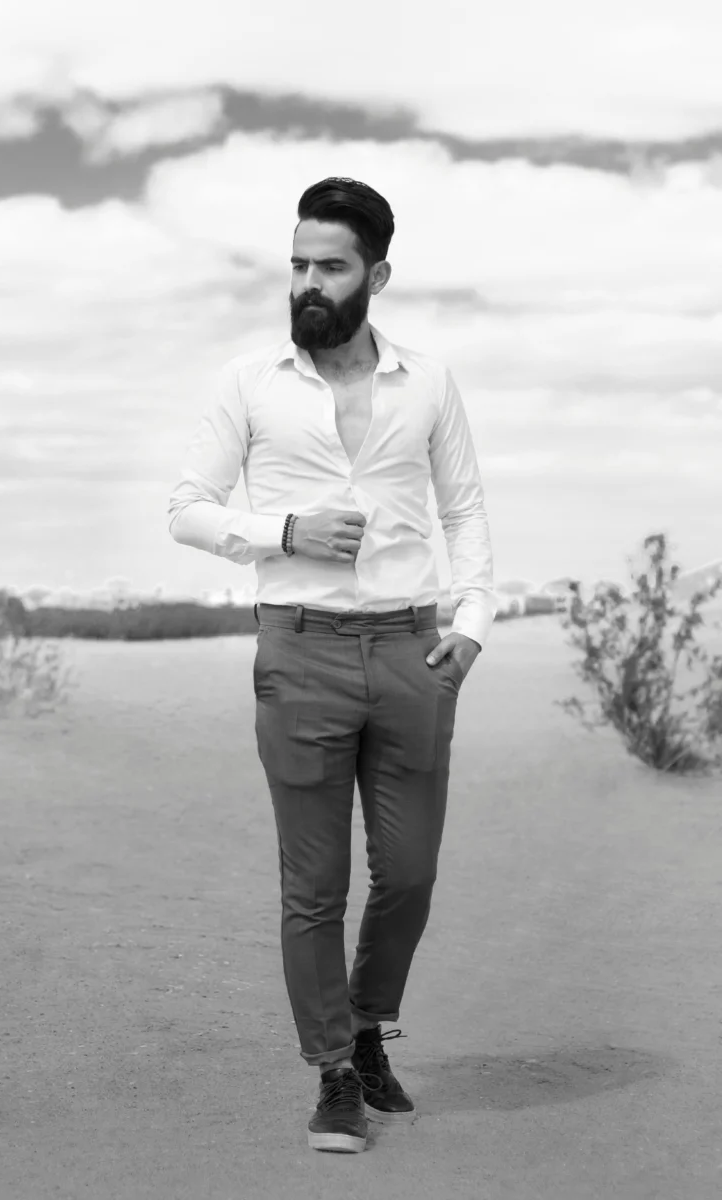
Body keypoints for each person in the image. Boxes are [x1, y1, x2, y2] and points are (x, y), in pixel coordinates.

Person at [168, 177, 497, 1154]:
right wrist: (285, 529)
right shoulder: (247, 383)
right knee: (310, 889)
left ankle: (366, 1026)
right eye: (298, 264)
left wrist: (471, 621)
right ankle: (331, 1073)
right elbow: (186, 506)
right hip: (298, 649)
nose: (308, 283)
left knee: (408, 875)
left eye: (331, 265)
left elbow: (465, 510)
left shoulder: (429, 383)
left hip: (409, 648)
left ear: (376, 274)